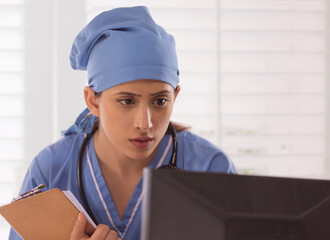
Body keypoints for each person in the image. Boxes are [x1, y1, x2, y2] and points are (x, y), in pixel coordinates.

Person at [9, 6, 236, 240]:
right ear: (92, 101)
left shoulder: (211, 168)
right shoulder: (51, 170)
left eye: (160, 101)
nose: (145, 123)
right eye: (127, 101)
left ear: (175, 96)